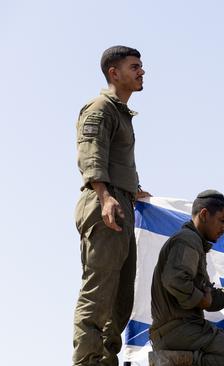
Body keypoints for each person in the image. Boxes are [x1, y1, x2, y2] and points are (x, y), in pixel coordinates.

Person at [73, 45, 151, 366]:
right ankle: (87, 361)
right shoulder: (100, 108)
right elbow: (91, 155)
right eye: (134, 66)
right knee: (99, 292)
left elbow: (117, 160)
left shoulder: (121, 113)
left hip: (122, 203)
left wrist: (136, 190)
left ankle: (105, 360)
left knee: (121, 296)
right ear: (113, 73)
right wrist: (105, 197)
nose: (141, 71)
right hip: (104, 204)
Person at [149, 190, 224, 366]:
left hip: (185, 330)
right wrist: (201, 300)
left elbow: (211, 298)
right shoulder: (187, 240)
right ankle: (188, 362)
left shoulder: (195, 242)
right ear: (204, 214)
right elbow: (175, 281)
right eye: (222, 220)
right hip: (178, 331)